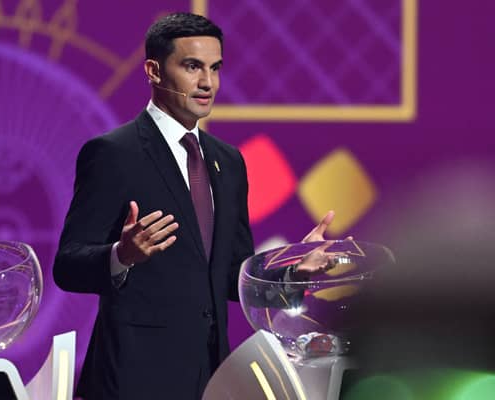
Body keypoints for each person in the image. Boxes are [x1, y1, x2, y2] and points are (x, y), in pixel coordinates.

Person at [53, 12, 337, 400]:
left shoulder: (229, 161)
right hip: (134, 379)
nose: (207, 83)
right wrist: (122, 254)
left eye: (215, 68)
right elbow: (67, 265)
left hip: (211, 377)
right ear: (153, 71)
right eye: (192, 67)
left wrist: (291, 275)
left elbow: (232, 275)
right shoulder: (113, 154)